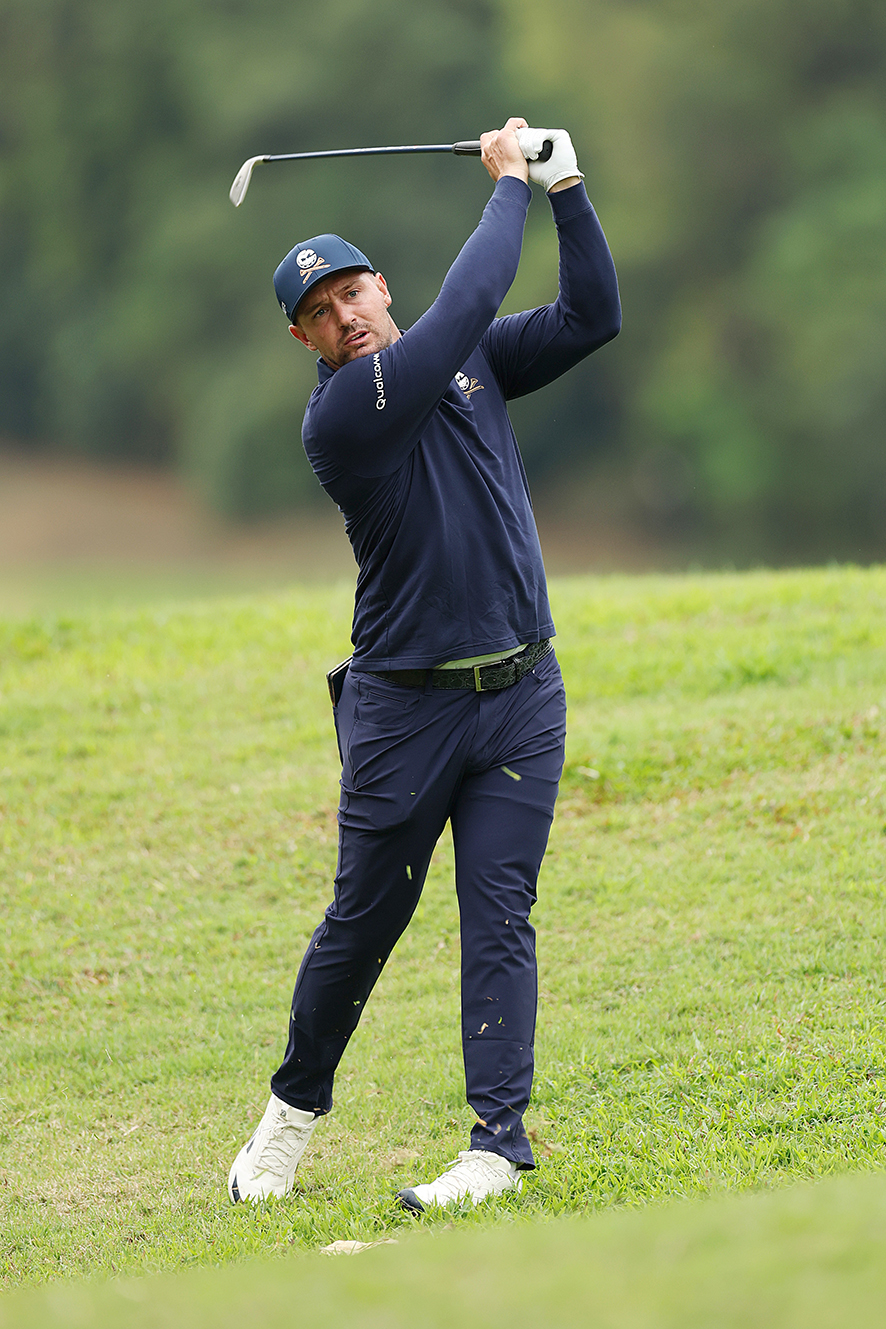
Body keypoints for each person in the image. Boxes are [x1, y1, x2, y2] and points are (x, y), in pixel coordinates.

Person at [228, 116, 620, 1212]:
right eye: (319, 313)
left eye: (352, 293)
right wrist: (508, 182)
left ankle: (496, 1148)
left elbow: (593, 316)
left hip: (520, 695)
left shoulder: (467, 363)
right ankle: (289, 1118)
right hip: (406, 710)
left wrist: (567, 187)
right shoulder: (345, 417)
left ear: (379, 287)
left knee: (499, 912)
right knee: (364, 923)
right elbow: (464, 308)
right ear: (304, 340)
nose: (343, 316)